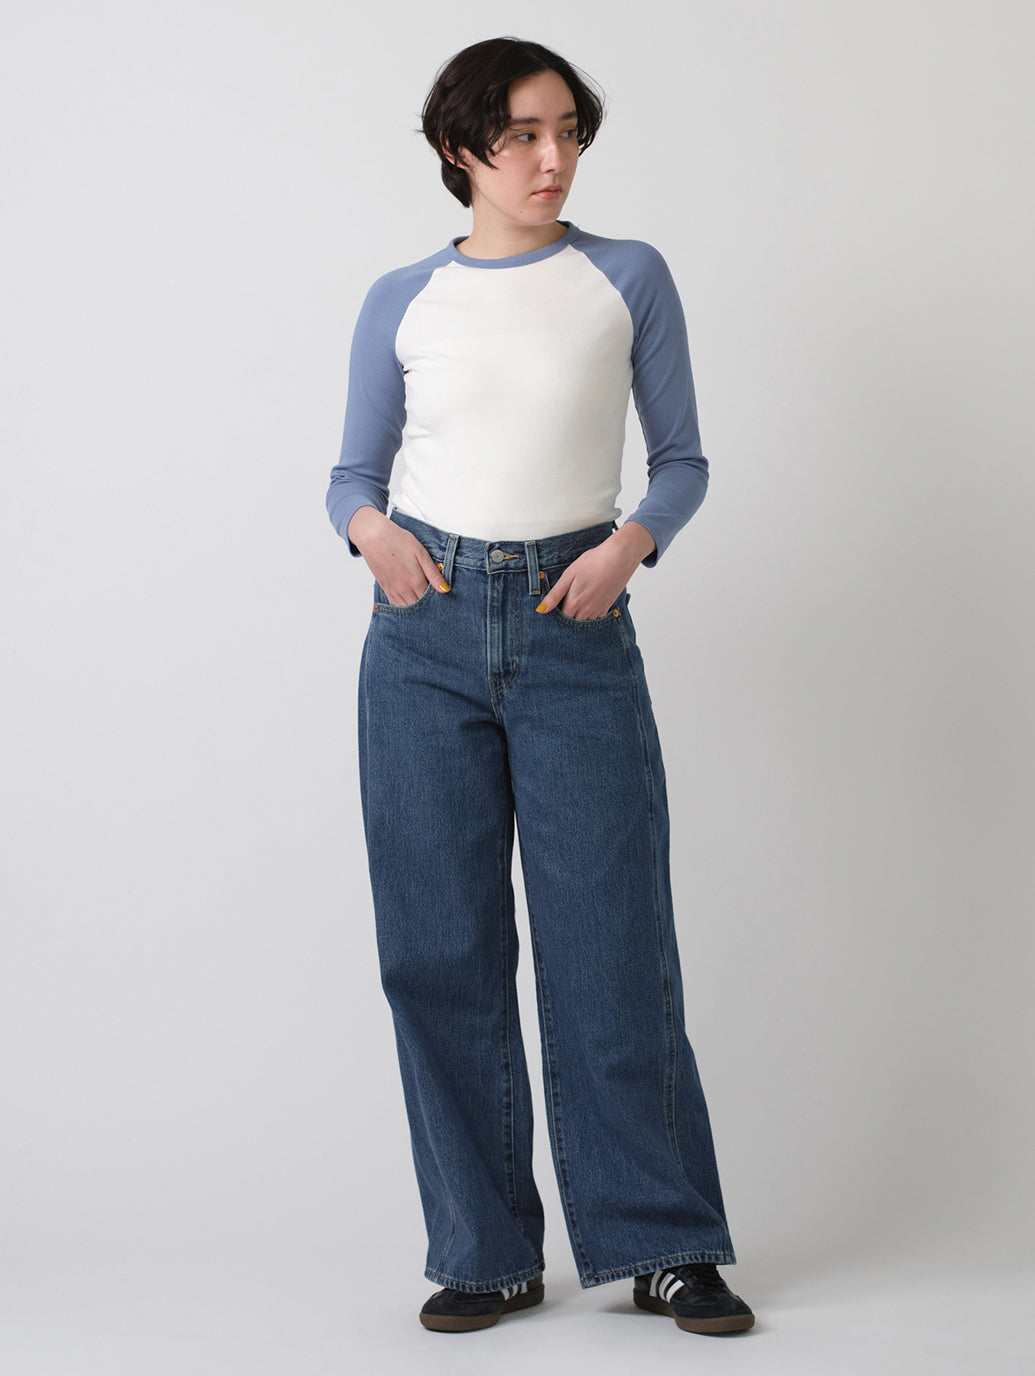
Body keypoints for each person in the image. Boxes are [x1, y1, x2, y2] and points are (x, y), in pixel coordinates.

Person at [326, 37, 754, 1337]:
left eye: (566, 130)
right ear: (460, 148)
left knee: (612, 945)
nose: (552, 157)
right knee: (439, 951)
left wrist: (629, 549)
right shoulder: (402, 299)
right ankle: (485, 1251)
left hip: (577, 629)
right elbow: (351, 478)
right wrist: (373, 535)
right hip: (423, 636)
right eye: (521, 134)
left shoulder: (626, 278)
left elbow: (681, 461)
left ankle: (664, 1244)